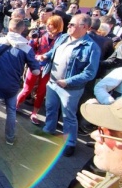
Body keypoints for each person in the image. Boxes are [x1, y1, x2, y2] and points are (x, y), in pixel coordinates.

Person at [36, 14, 101, 157]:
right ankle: (49, 130)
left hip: (70, 88)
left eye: (72, 24)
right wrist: (45, 56)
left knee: (68, 116)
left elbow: (90, 73)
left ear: (84, 27)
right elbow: (54, 51)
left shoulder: (91, 47)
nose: (68, 26)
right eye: (69, 24)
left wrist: (68, 81)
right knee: (51, 108)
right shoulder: (63, 37)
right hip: (53, 82)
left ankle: (70, 142)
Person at [0, 18, 40, 144]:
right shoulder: (27, 48)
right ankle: (10, 138)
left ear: (9, 27)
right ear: (23, 29)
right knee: (11, 110)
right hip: (11, 85)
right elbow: (36, 71)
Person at [16, 15, 64, 124]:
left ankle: (34, 113)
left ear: (57, 26)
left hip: (50, 68)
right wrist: (33, 43)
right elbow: (29, 47)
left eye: (50, 25)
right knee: (27, 88)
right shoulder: (41, 34)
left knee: (41, 92)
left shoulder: (62, 38)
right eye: (47, 24)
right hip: (35, 64)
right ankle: (15, 105)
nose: (48, 27)